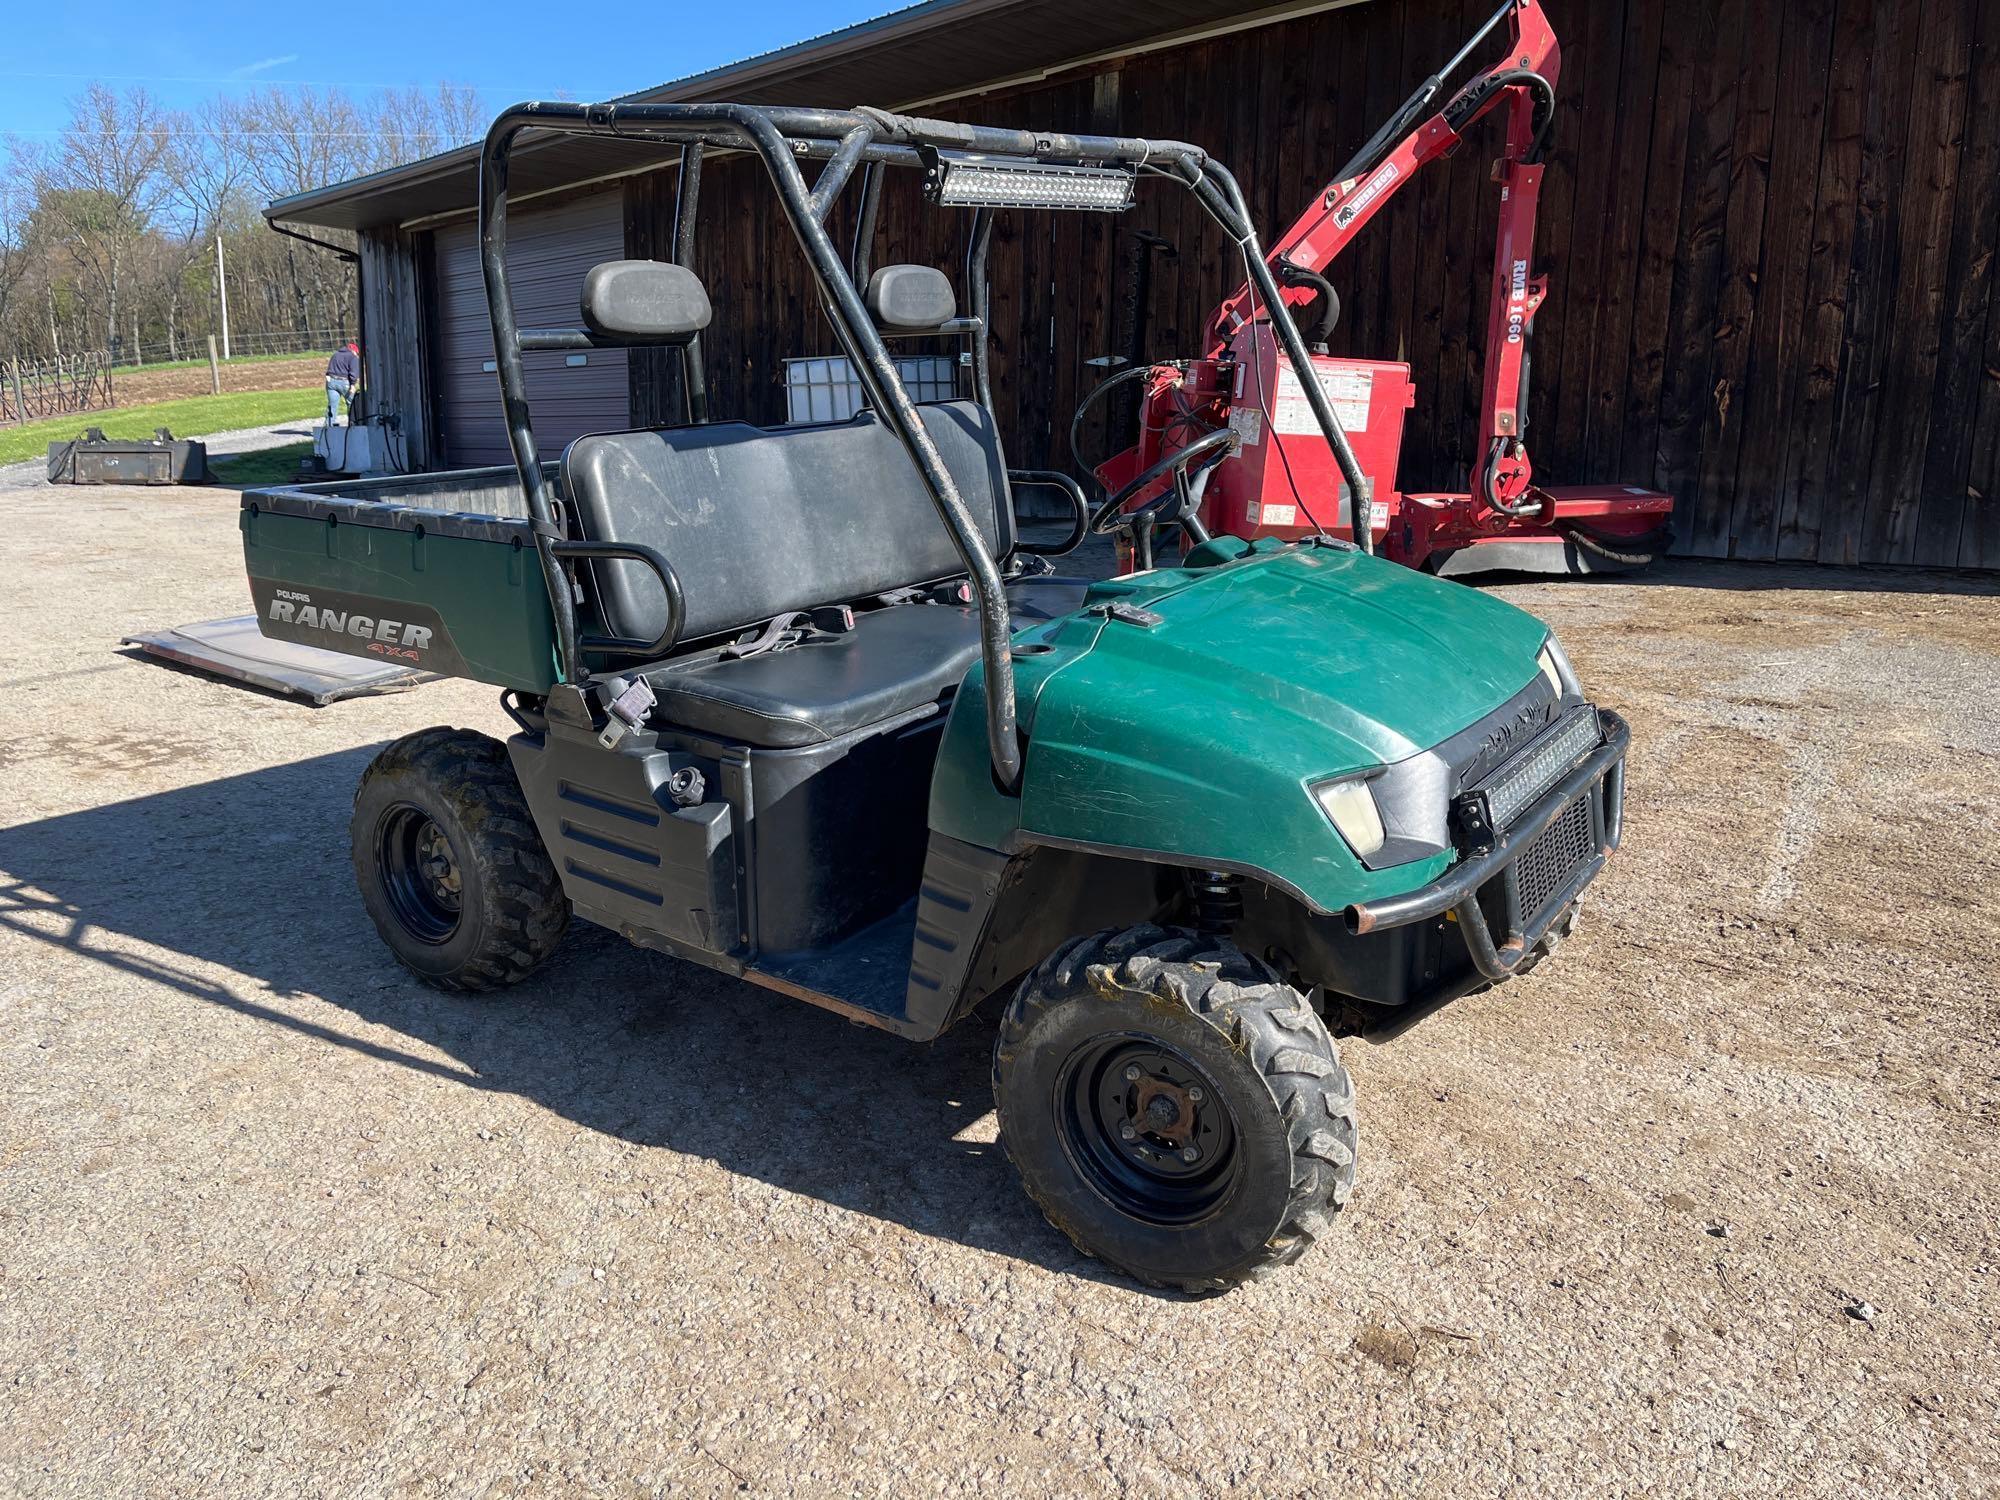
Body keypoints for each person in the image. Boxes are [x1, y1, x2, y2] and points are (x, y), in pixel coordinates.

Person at [325, 341, 361, 424]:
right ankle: (353, 425)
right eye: (356, 353)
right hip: (345, 382)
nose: (356, 354)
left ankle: (328, 428)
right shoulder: (352, 357)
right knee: (352, 405)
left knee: (332, 406)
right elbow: (354, 373)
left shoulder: (335, 354)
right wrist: (352, 384)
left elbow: (329, 369)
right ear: (353, 350)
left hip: (331, 382)